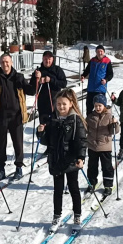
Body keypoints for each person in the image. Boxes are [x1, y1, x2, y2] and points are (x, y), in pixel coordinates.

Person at [37, 88, 87, 230]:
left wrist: (80, 157)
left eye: (64, 104)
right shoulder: (52, 119)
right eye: (59, 104)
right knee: (57, 190)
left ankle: (77, 216)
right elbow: (47, 141)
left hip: (71, 160)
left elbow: (81, 141)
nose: (61, 107)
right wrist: (40, 133)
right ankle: (56, 216)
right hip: (56, 160)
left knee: (74, 188)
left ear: (70, 104)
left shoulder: (75, 120)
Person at [0, 53, 34, 181]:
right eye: (2, 62)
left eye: (7, 62)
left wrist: (36, 79)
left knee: (18, 143)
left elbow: (31, 91)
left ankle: (18, 167)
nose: (5, 64)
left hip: (16, 115)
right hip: (0, 116)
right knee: (1, 144)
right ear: (0, 64)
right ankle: (1, 169)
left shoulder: (18, 77)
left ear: (11, 63)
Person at [86, 94, 119, 197]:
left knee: (107, 167)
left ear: (104, 105)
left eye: (100, 105)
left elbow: (115, 131)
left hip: (105, 146)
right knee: (92, 166)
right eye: (96, 106)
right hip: (92, 146)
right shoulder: (90, 116)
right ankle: (92, 183)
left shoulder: (109, 116)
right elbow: (86, 129)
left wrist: (115, 124)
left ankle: (108, 185)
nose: (98, 108)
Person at [30, 50, 68, 124]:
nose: (47, 61)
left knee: (55, 124)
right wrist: (37, 80)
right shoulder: (38, 71)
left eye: (49, 59)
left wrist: (51, 80)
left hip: (55, 101)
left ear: (52, 59)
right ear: (42, 59)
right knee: (43, 125)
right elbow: (32, 88)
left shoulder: (57, 70)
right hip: (42, 103)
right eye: (45, 59)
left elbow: (64, 84)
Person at [81, 44, 114, 115]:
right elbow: (87, 70)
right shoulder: (92, 60)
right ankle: (89, 123)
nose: (100, 53)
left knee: (100, 108)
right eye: (98, 51)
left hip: (100, 89)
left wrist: (106, 80)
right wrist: (83, 76)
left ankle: (101, 124)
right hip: (91, 89)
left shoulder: (107, 61)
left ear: (104, 52)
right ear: (96, 52)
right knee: (89, 108)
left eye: (101, 51)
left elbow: (110, 74)